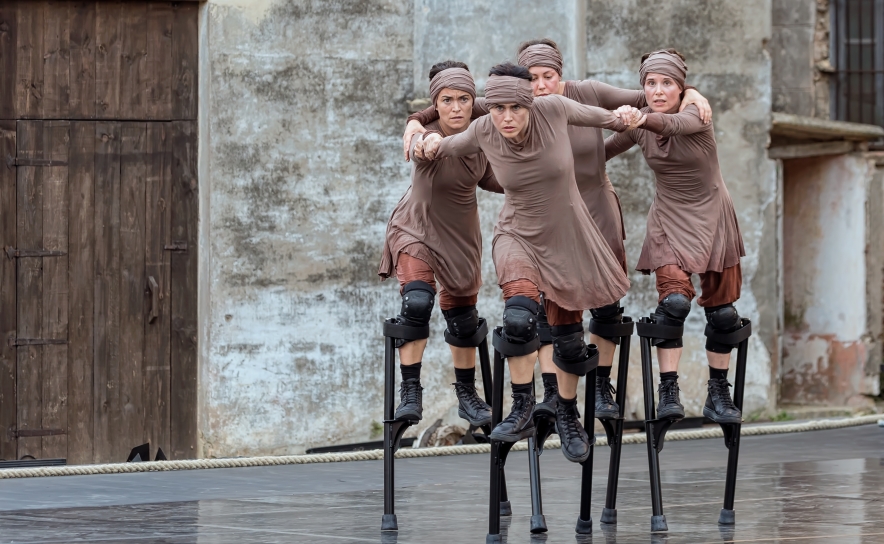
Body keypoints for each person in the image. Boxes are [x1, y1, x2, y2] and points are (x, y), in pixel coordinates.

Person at [403, 39, 713, 423]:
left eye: (547, 76)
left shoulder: (572, 99)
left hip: (588, 210)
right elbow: (459, 108)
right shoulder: (500, 113)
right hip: (531, 223)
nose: (540, 85)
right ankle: (539, 399)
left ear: (559, 76)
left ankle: (596, 391)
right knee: (534, 316)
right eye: (532, 78)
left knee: (598, 308)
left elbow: (644, 102)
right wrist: (418, 125)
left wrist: (690, 94)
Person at [415, 62, 642, 462]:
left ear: (528, 105)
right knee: (518, 320)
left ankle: (566, 413)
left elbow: (609, 119)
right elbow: (446, 140)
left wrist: (625, 116)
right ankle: (522, 407)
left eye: (515, 108)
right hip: (516, 233)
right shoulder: (484, 130)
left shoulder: (554, 109)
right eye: (497, 107)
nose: (505, 117)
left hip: (566, 238)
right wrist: (421, 136)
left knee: (569, 344)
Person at [604, 49, 746, 424]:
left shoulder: (695, 114)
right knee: (674, 306)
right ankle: (668, 392)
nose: (658, 90)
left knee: (723, 313)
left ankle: (718, 392)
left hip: (714, 215)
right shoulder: (641, 122)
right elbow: (602, 148)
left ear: (682, 89)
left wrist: (642, 116)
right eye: (651, 83)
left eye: (667, 83)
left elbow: (672, 126)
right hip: (668, 218)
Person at [378, 61, 504, 429]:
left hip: (461, 234)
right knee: (417, 302)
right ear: (437, 103)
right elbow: (420, 145)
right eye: (446, 100)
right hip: (415, 227)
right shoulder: (424, 135)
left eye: (463, 99)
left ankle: (467, 395)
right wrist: (420, 133)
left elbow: (493, 176)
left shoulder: (484, 126)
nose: (455, 107)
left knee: (463, 320)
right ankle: (411, 391)